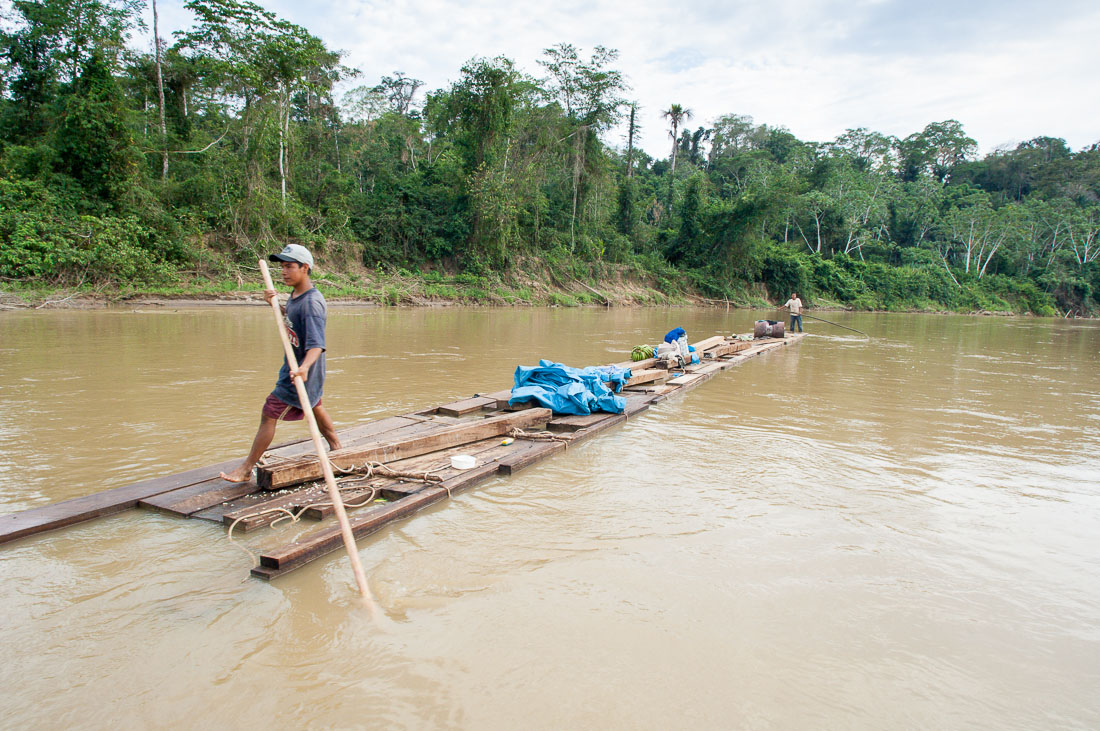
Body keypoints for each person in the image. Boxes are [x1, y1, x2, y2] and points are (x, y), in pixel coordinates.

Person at [219, 244, 342, 483]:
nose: (283, 272)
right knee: (314, 404)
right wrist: (276, 305)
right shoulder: (297, 295)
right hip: (296, 365)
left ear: (305, 268)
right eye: (282, 267)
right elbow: (294, 319)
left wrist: (304, 368)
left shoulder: (311, 304)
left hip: (301, 369)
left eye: (289, 266)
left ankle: (246, 469)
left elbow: (317, 344)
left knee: (269, 412)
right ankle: (337, 446)